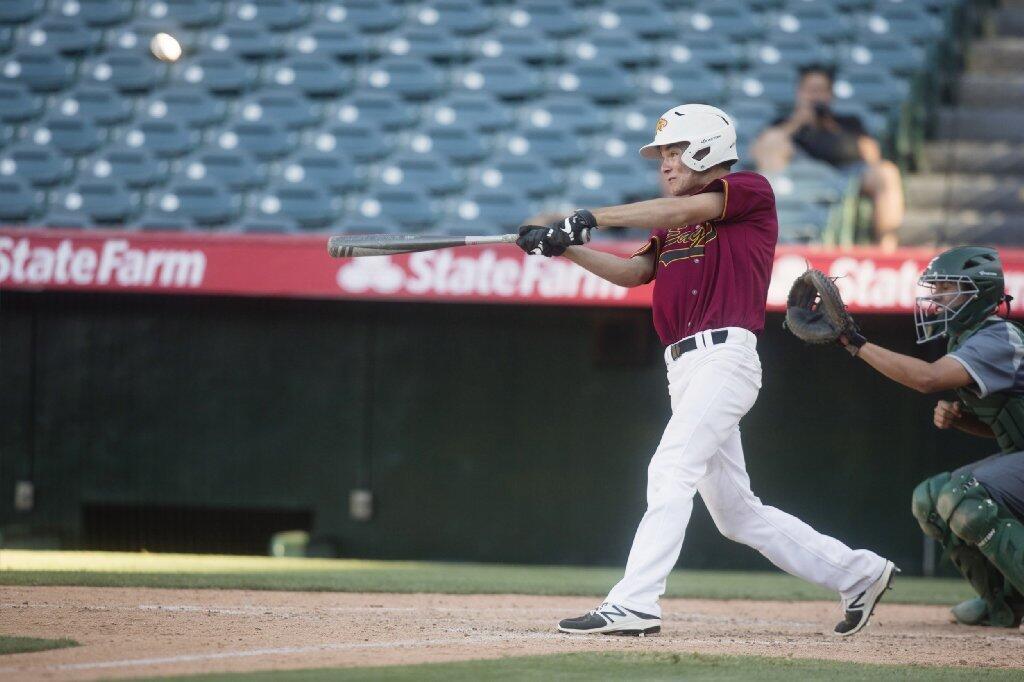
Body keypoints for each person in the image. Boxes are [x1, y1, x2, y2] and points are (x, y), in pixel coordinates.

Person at [516, 103, 896, 637]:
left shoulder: (748, 192)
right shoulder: (675, 219)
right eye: (662, 156)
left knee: (669, 469)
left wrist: (594, 216)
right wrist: (564, 248)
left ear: (706, 149)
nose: (665, 165)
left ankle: (636, 604)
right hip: (686, 368)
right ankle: (861, 574)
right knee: (736, 514)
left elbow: (679, 214)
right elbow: (632, 272)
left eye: (674, 152)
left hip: (725, 356)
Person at [829, 246, 1024, 628]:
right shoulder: (970, 339)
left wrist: (856, 343)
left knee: (965, 496)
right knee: (931, 500)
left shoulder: (998, 337)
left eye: (947, 288)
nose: (935, 297)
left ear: (977, 294)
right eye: (935, 288)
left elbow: (926, 379)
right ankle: (1003, 603)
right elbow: (1008, 427)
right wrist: (964, 421)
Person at [751, 65, 905, 251]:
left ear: (830, 94)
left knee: (887, 172)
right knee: (774, 141)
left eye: (821, 91)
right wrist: (797, 122)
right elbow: (758, 154)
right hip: (797, 179)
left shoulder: (848, 122)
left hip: (844, 177)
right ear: (799, 92)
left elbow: (872, 156)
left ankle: (886, 249)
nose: (815, 96)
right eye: (810, 91)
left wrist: (829, 126)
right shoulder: (783, 124)